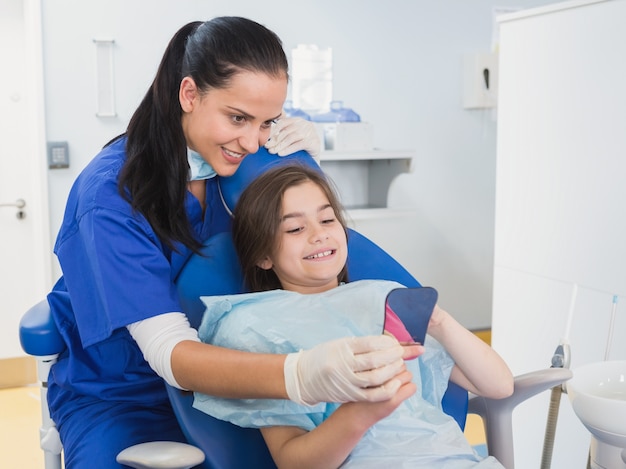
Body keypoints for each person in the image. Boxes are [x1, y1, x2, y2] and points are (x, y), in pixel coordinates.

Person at [46, 17, 419, 468]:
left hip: (253, 379)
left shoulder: (250, 168)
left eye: (269, 121)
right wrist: (301, 373)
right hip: (129, 396)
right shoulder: (109, 198)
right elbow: (168, 352)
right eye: (238, 117)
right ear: (189, 94)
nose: (252, 140)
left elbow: (315, 258)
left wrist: (305, 165)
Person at [194, 164, 514, 468]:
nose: (319, 235)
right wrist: (361, 413)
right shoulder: (254, 326)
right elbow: (293, 462)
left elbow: (498, 385)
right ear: (263, 255)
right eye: (295, 227)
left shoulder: (383, 297)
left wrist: (441, 323)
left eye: (328, 220)